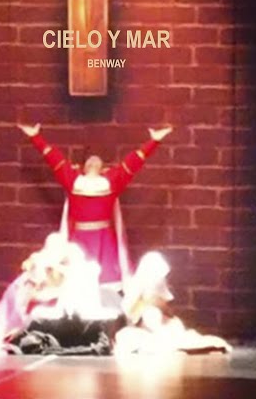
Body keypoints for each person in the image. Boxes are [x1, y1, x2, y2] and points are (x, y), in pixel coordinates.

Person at [17, 122, 173, 290]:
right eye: (89, 161)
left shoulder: (112, 181)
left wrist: (154, 141)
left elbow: (133, 162)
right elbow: (54, 158)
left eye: (97, 161)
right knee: (76, 284)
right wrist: (35, 136)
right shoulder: (72, 180)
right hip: (79, 241)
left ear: (103, 169)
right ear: (82, 168)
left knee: (106, 286)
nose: (92, 161)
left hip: (104, 240)